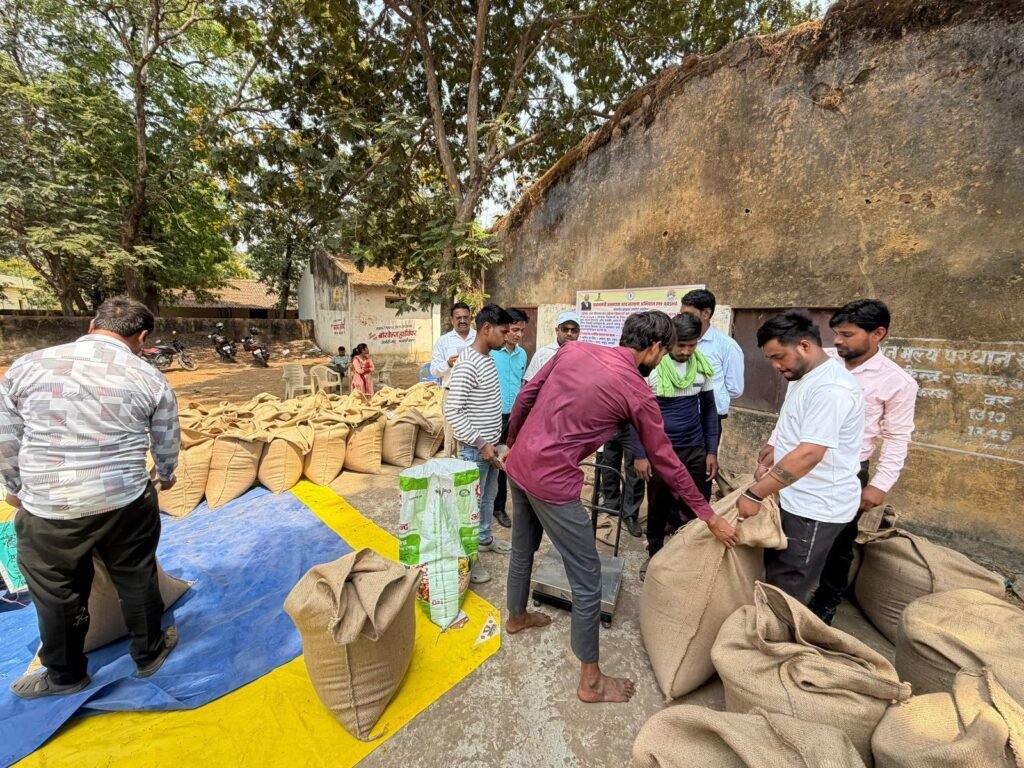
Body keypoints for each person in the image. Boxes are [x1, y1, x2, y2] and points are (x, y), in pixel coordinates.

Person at [504, 311, 736, 704]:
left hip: (519, 465)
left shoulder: (573, 350)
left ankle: (515, 617)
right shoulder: (637, 390)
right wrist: (708, 514)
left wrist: (514, 443)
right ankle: (591, 682)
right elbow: (667, 462)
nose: (662, 360)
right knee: (588, 578)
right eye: (663, 353)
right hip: (553, 483)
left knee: (521, 550)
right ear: (654, 347)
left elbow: (527, 397)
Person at [0, 297, 181, 699]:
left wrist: (16, 488)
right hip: (126, 499)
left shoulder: (28, 366)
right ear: (142, 336)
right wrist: (165, 475)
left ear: (92, 323)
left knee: (57, 592)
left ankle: (65, 675)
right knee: (136, 576)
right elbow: (167, 437)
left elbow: (6, 439)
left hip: (49, 505)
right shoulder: (149, 377)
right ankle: (149, 653)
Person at [737, 310, 864, 604]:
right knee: (777, 571)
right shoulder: (804, 375)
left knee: (788, 584)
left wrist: (755, 494)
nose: (775, 365)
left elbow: (809, 454)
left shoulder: (831, 389)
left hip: (816, 507)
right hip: (796, 495)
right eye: (770, 358)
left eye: (779, 356)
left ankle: (781, 641)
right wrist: (775, 445)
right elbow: (795, 422)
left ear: (804, 346)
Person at [804, 299, 918, 624]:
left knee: (839, 543)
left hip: (848, 472)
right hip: (804, 463)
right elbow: (797, 406)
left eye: (847, 334)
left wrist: (880, 485)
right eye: (836, 333)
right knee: (794, 530)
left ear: (878, 334)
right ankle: (786, 591)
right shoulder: (821, 361)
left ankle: (825, 606)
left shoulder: (897, 382)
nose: (838, 340)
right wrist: (775, 446)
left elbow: (897, 438)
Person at [632, 313, 720, 580]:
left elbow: (709, 411)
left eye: (691, 345)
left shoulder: (703, 368)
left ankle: (689, 557)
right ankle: (654, 555)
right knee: (658, 505)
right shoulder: (653, 370)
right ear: (669, 342)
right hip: (660, 450)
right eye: (680, 345)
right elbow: (637, 415)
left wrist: (712, 450)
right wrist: (640, 453)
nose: (685, 351)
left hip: (695, 447)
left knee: (697, 504)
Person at [444, 304, 515, 585]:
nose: (508, 336)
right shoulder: (467, 364)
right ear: (487, 329)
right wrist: (482, 443)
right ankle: (469, 560)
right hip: (475, 450)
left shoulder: (486, 359)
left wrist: (495, 444)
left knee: (488, 499)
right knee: (469, 507)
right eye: (504, 331)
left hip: (489, 448)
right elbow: (454, 411)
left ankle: (484, 539)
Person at [679, 289, 745, 429]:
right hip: (680, 413)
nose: (684, 319)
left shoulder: (727, 346)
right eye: (682, 314)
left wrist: (709, 396)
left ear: (706, 314)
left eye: (688, 314)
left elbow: (735, 389)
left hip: (708, 419)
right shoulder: (675, 341)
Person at [490, 308, 529, 529]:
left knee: (508, 460)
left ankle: (500, 507)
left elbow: (522, 384)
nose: (518, 334)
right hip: (493, 414)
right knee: (490, 461)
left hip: (514, 416)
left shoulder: (522, 355)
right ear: (505, 329)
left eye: (522, 330)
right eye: (514, 329)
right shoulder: (493, 353)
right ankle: (491, 505)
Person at [431, 303, 477, 455]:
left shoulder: (479, 338)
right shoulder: (443, 341)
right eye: (458, 318)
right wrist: (448, 363)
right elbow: (434, 370)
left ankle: (470, 469)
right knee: (451, 435)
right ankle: (452, 468)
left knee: (472, 433)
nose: (462, 320)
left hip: (475, 394)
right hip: (452, 394)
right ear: (452, 320)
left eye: (466, 317)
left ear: (470, 319)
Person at [522, 310, 580, 382]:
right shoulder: (542, 354)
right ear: (557, 330)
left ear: (579, 333)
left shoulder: (583, 356)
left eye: (574, 330)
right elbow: (529, 383)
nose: (569, 333)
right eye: (565, 329)